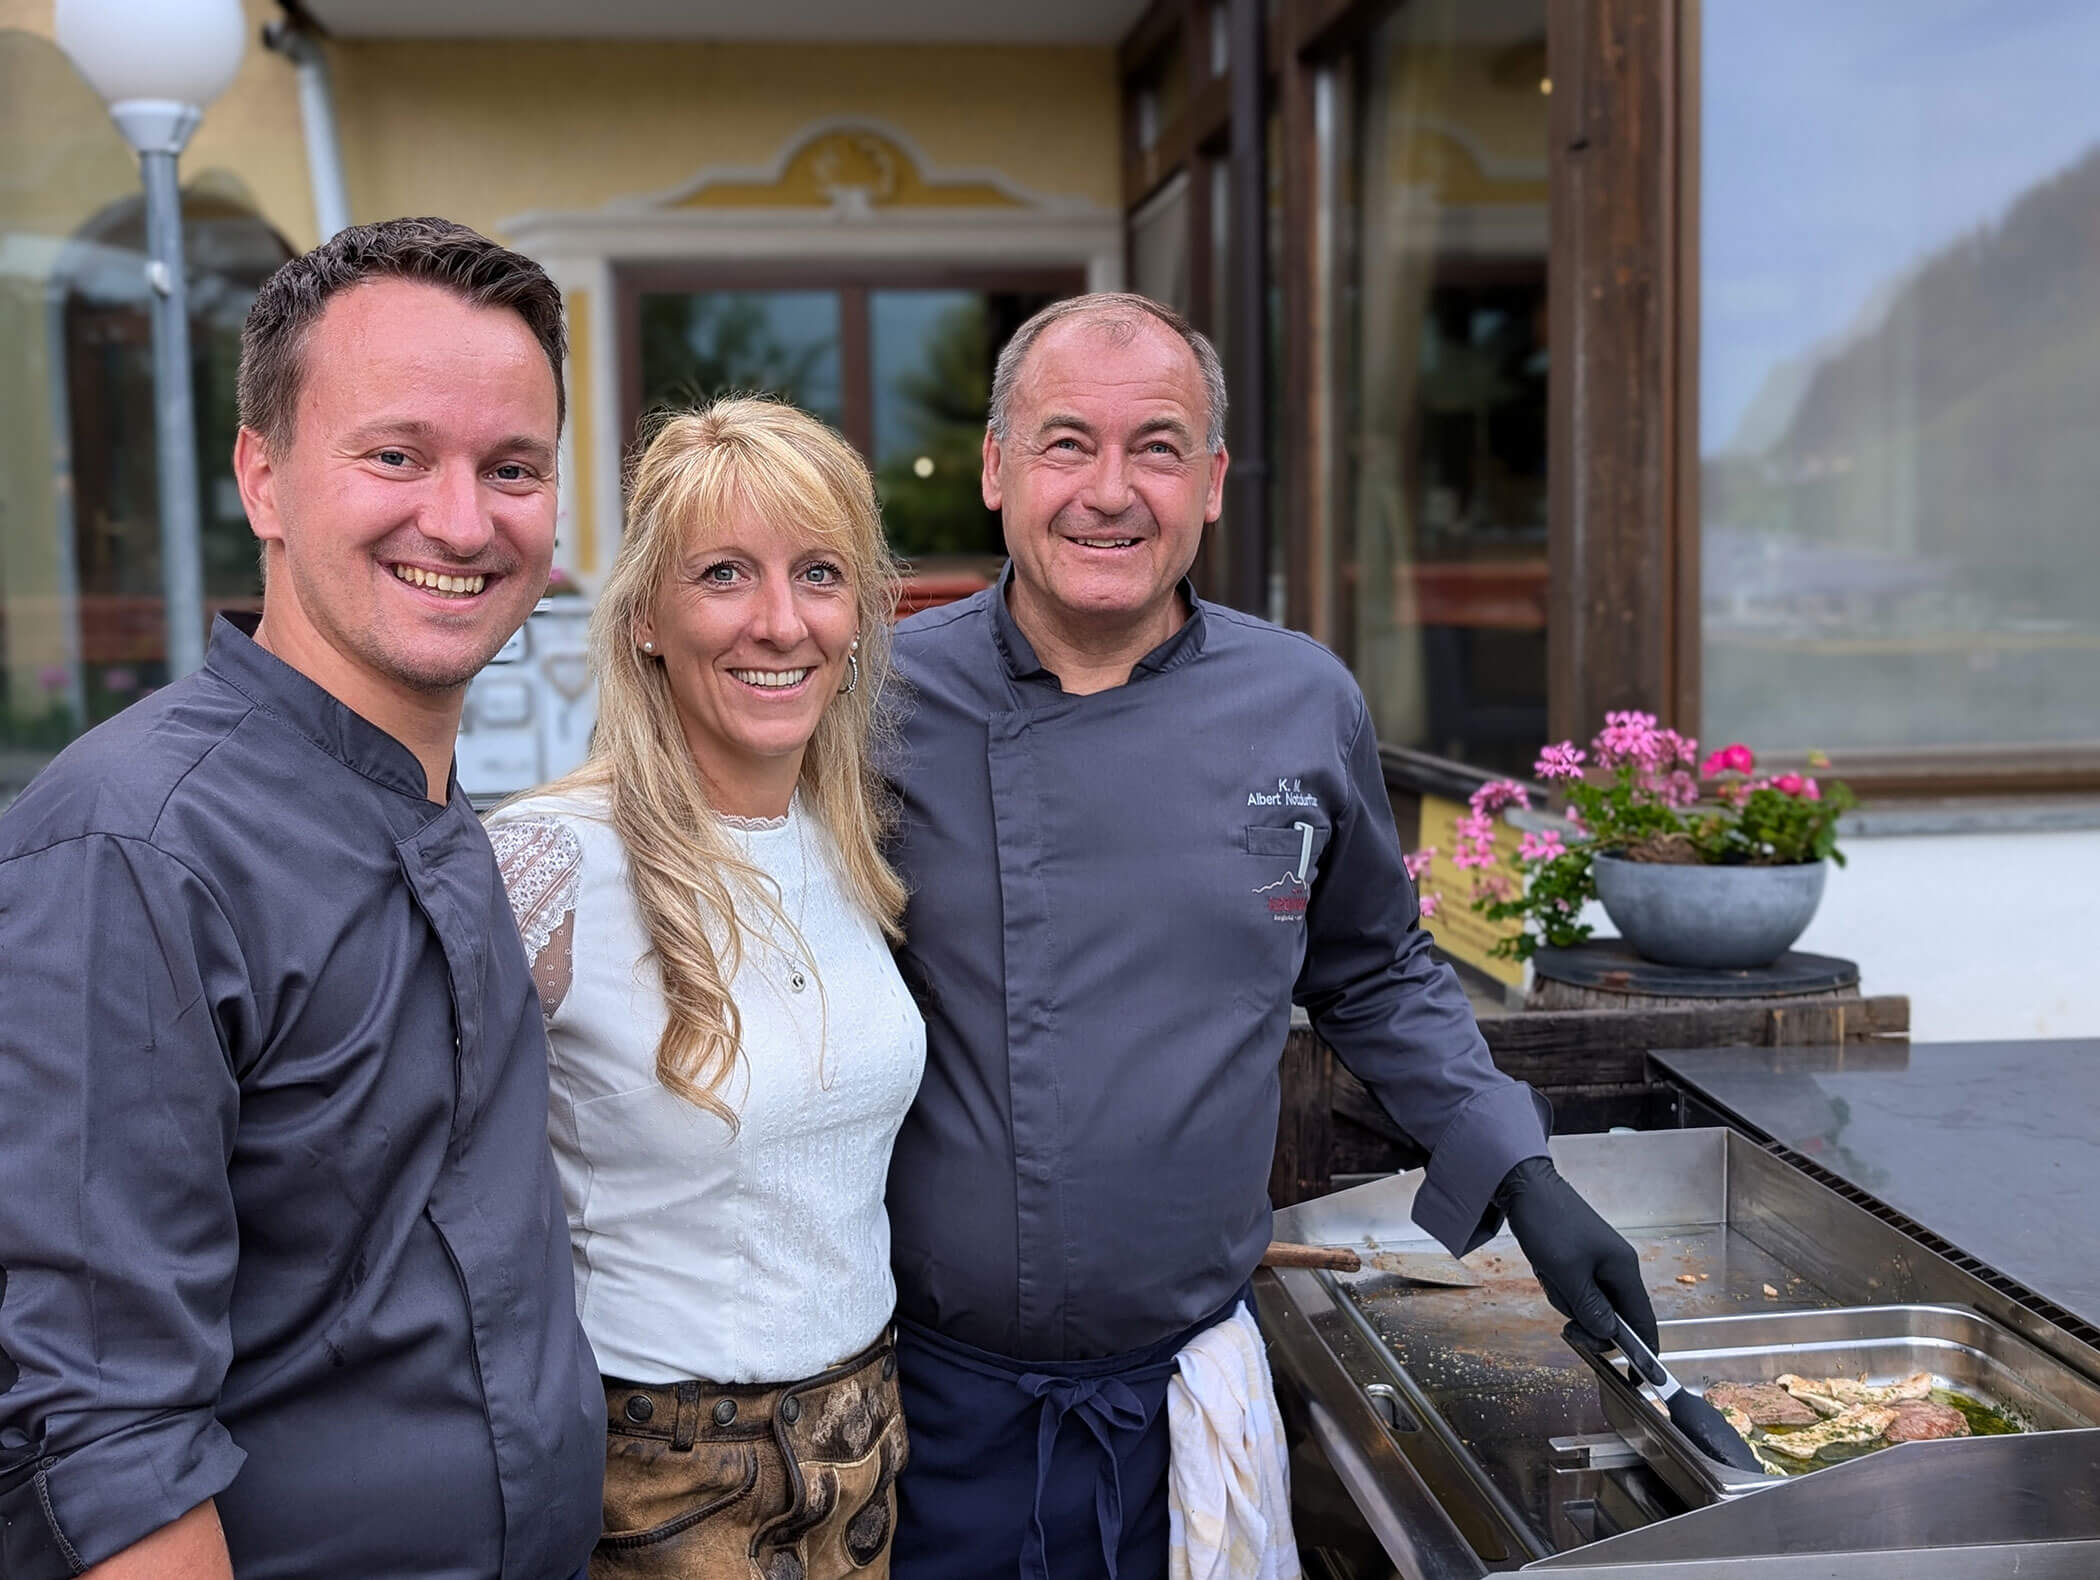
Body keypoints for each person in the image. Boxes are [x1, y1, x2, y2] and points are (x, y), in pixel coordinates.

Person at [881, 293, 1660, 1577]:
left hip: (1189, 1402)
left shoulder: (1300, 699)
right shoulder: (881, 700)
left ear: (1215, 481)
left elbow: (1377, 969)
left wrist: (1524, 1175)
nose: (1111, 491)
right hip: (925, 1413)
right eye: (1067, 442)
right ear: (994, 467)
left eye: (1160, 446)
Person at [0, 218, 603, 1580]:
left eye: (511, 468)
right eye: (395, 456)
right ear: (262, 480)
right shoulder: (136, 848)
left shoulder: (447, 810)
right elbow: (103, 1427)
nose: (461, 519)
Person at [486, 398, 925, 1580]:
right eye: (725, 573)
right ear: (644, 618)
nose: (780, 622)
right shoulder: (546, 858)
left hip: (865, 1451)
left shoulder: (850, 842)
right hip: (659, 1479)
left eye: (819, 573)